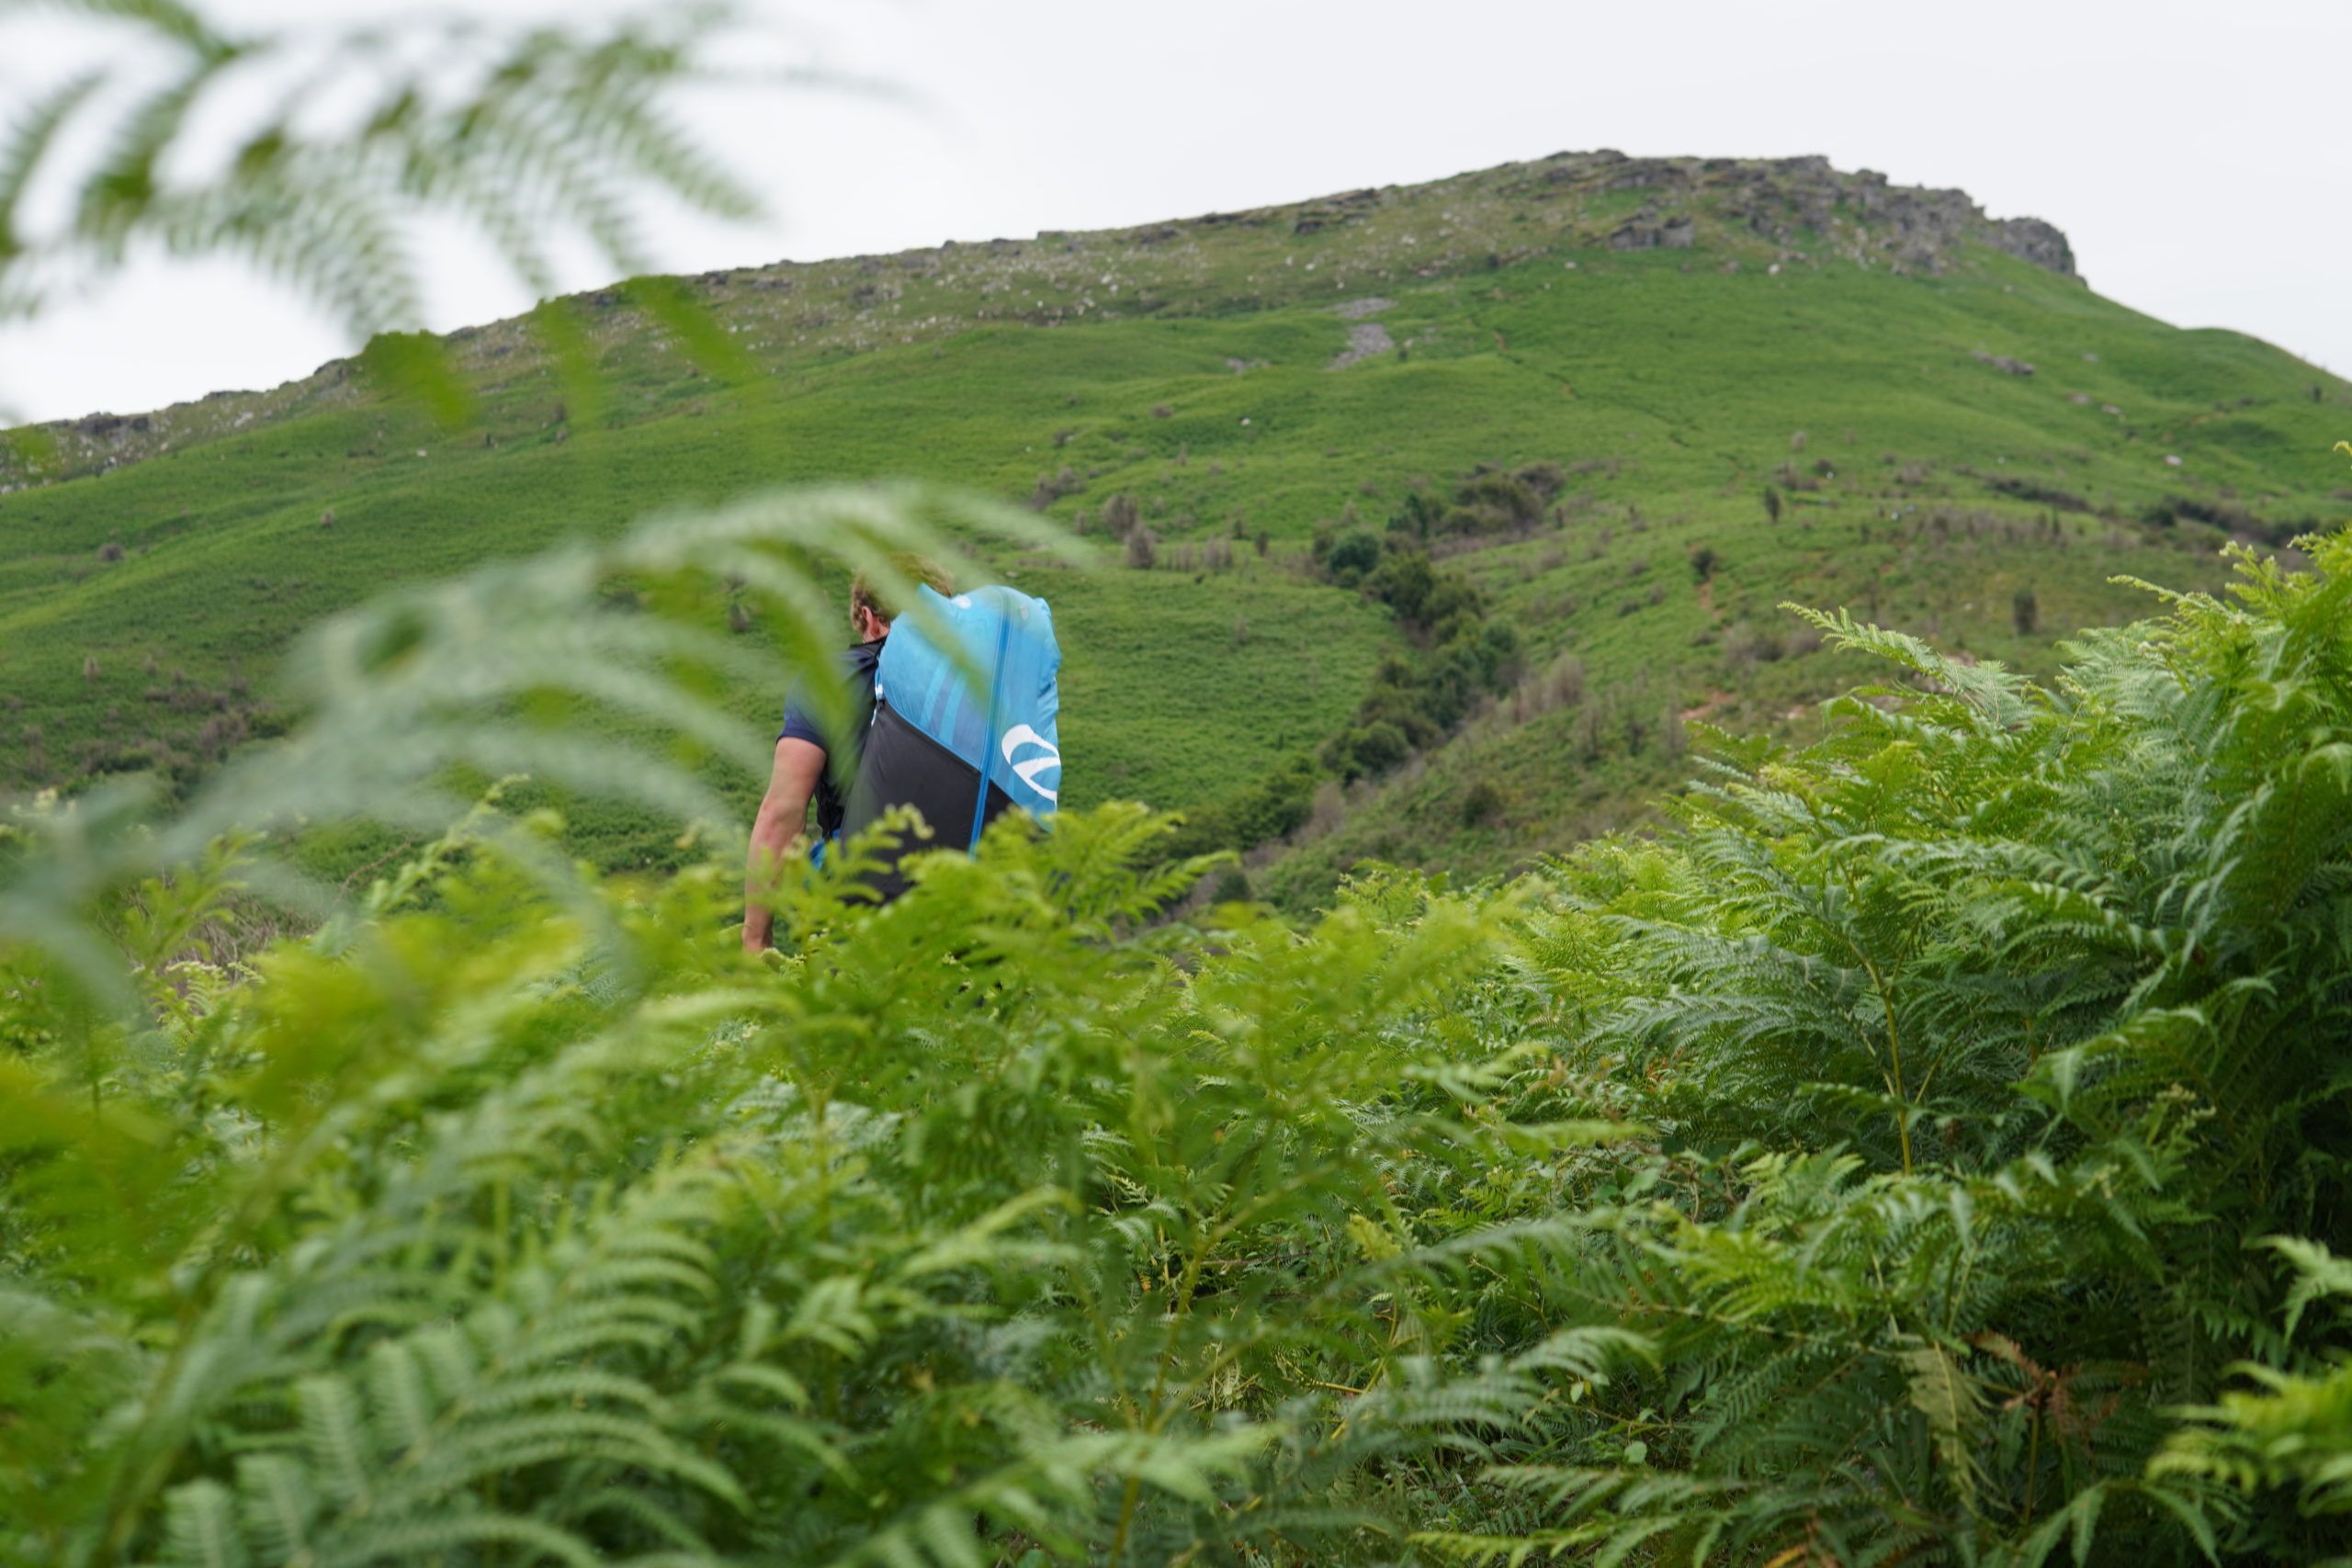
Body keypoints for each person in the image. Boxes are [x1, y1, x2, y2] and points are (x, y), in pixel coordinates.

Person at [741, 556, 953, 951]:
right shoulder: (974, 686)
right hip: (959, 886)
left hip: (856, 885)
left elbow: (783, 811)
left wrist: (756, 936)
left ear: (868, 617)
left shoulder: (830, 681)